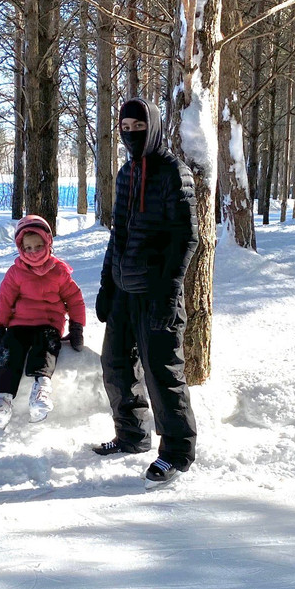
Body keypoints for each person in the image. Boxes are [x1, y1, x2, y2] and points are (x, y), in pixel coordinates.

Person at [94, 97, 199, 488]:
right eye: (126, 127)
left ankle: (176, 453)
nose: (131, 133)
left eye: (139, 127)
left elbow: (188, 237)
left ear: (152, 127)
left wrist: (170, 292)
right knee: (116, 365)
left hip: (158, 292)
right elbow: (117, 236)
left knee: (163, 373)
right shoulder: (125, 174)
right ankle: (132, 435)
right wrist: (107, 285)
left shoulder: (174, 172)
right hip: (124, 290)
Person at [0, 215, 86, 429]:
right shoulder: (15, 273)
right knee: (10, 349)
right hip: (19, 324)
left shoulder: (59, 271)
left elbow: (75, 299)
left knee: (47, 346)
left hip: (48, 323)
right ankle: (1, 397)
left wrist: (76, 327)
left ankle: (42, 387)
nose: (33, 252)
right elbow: (4, 300)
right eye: (28, 247)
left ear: (48, 243)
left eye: (38, 246)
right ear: (20, 247)